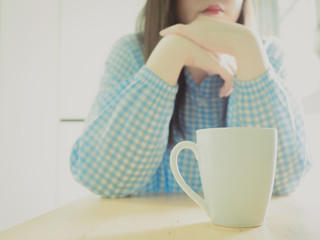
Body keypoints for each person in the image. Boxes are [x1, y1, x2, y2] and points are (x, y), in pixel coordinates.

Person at [69, 0, 311, 198]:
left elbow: (283, 182)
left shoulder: (266, 55)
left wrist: (246, 45)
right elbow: (103, 179)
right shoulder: (131, 53)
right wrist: (170, 53)